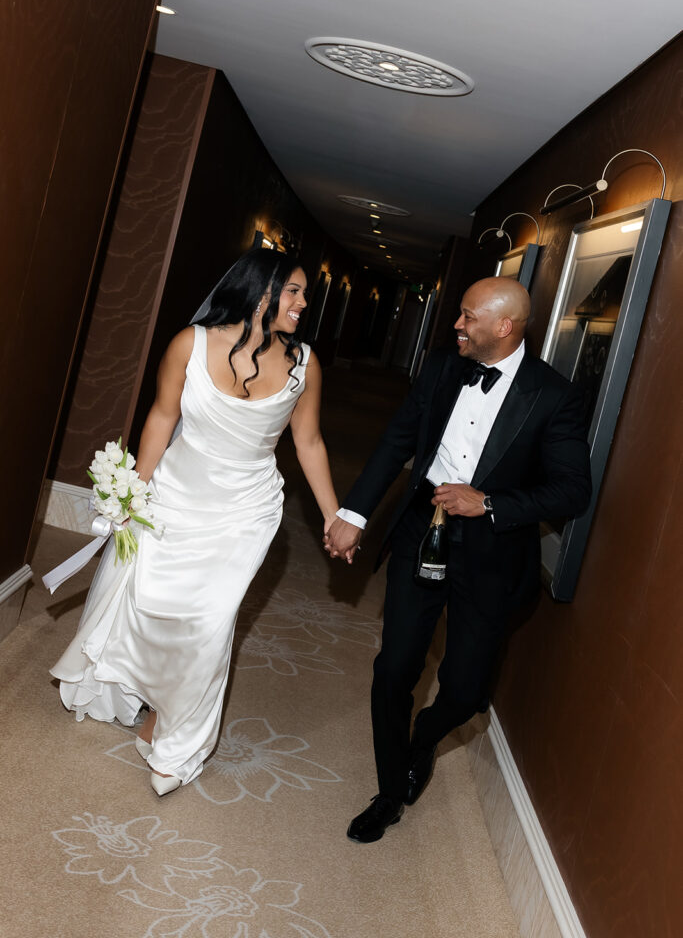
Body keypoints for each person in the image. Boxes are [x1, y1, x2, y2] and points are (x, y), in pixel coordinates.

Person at [51, 246, 340, 796]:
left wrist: (333, 515)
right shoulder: (190, 343)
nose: (305, 303)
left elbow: (308, 441)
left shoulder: (305, 364)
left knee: (210, 622)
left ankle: (175, 735)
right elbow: (163, 416)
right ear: (261, 293)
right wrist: (134, 490)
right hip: (174, 495)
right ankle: (144, 689)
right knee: (151, 604)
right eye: (295, 291)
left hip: (247, 510)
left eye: (305, 293)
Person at [324, 276, 592, 842]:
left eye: (468, 317)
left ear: (505, 326)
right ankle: (391, 790)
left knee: (467, 692)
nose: (456, 325)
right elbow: (398, 440)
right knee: (394, 668)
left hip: (492, 550)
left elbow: (572, 491)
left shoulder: (555, 396)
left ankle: (424, 738)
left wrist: (488, 501)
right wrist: (355, 514)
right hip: (423, 523)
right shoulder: (443, 367)